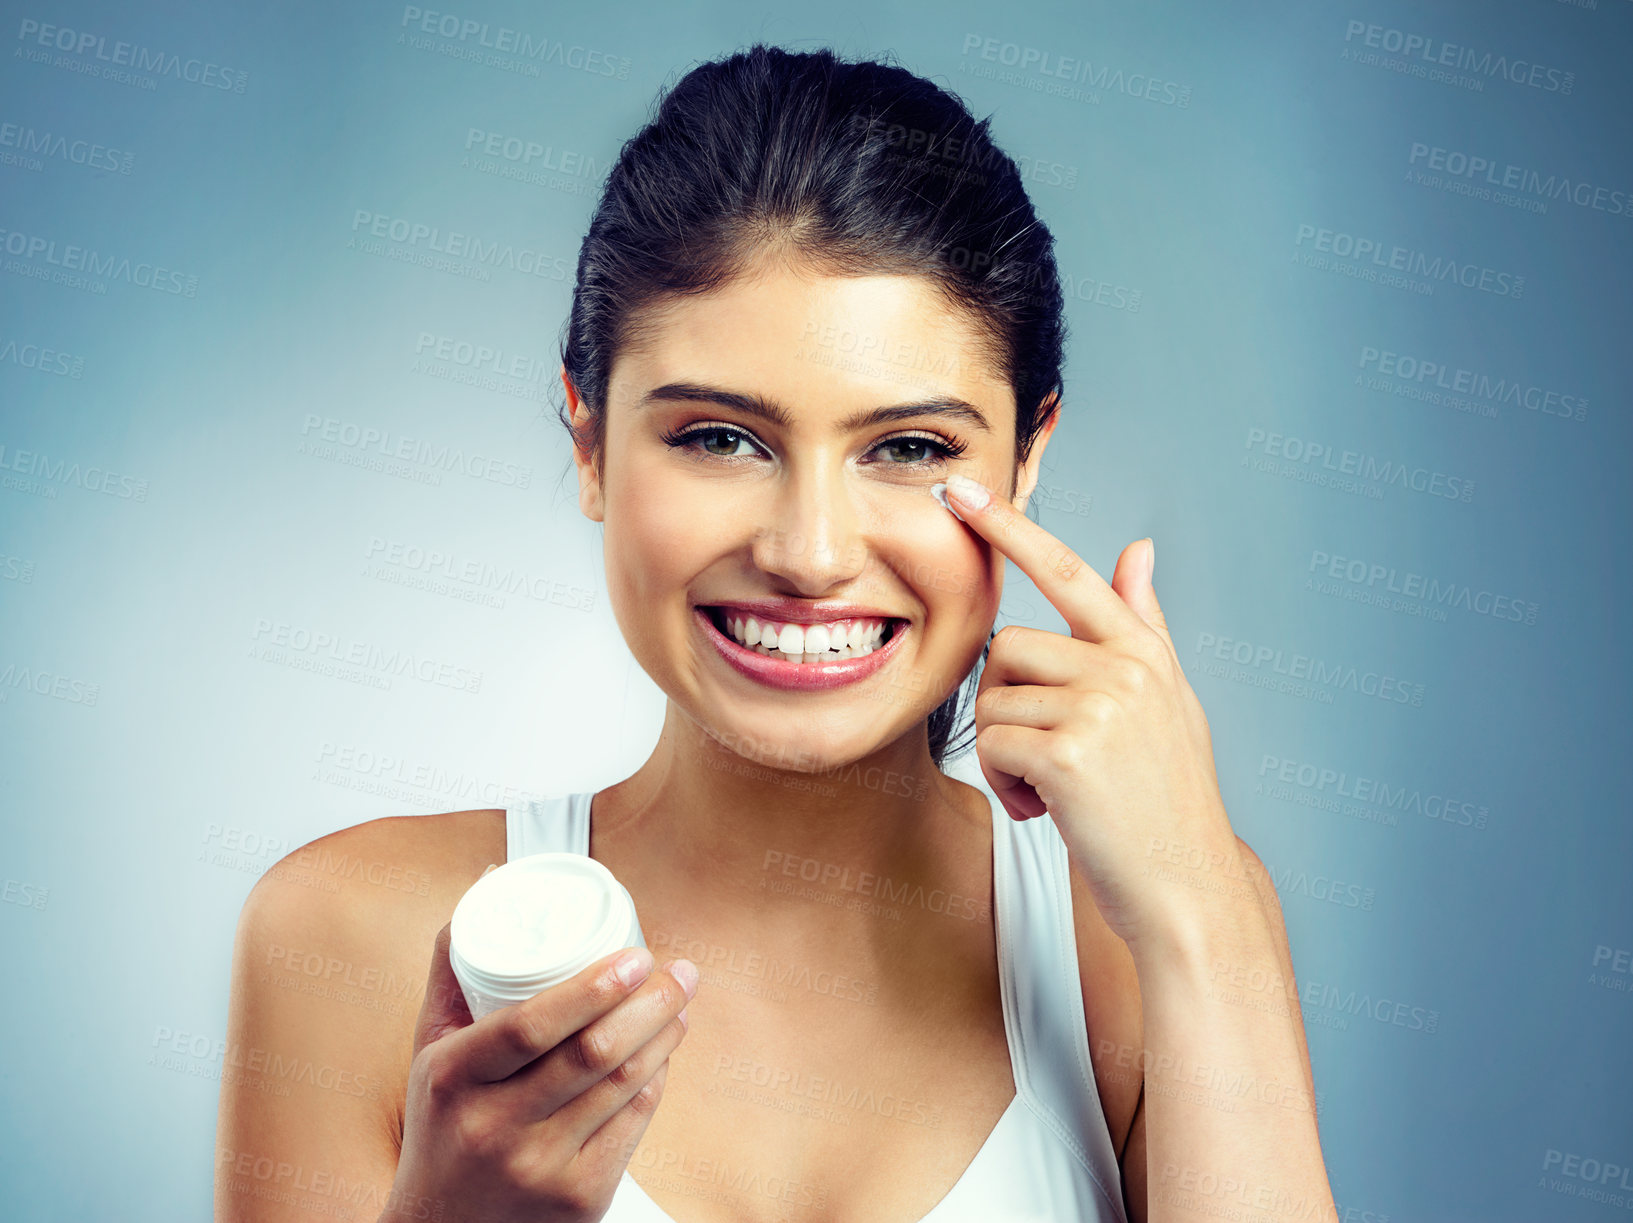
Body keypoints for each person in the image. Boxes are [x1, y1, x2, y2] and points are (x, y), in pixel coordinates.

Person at [216, 43, 1335, 1223]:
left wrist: (1208, 901)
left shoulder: (1141, 931)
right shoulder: (348, 939)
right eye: (718, 437)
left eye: (909, 447)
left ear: (1030, 452)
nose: (808, 552)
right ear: (589, 443)